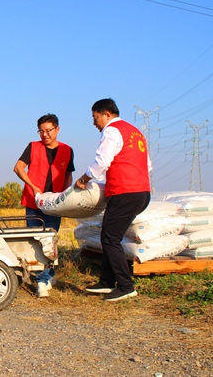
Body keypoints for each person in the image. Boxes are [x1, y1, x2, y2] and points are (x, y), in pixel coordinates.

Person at [75, 98, 151, 302]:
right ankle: (107, 281)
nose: (94, 122)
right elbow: (147, 165)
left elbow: (102, 161)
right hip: (141, 191)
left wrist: (84, 179)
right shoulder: (135, 132)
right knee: (109, 234)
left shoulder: (111, 130)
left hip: (125, 192)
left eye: (95, 117)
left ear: (107, 114)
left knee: (110, 238)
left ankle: (126, 286)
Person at [14, 113, 74, 297]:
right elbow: (18, 167)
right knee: (36, 240)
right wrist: (32, 186)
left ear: (57, 129)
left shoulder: (67, 150)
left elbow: (68, 175)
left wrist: (65, 195)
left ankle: (48, 274)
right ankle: (41, 280)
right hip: (34, 201)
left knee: (51, 240)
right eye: (41, 131)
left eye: (48, 130)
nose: (45, 135)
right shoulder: (33, 147)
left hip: (55, 203)